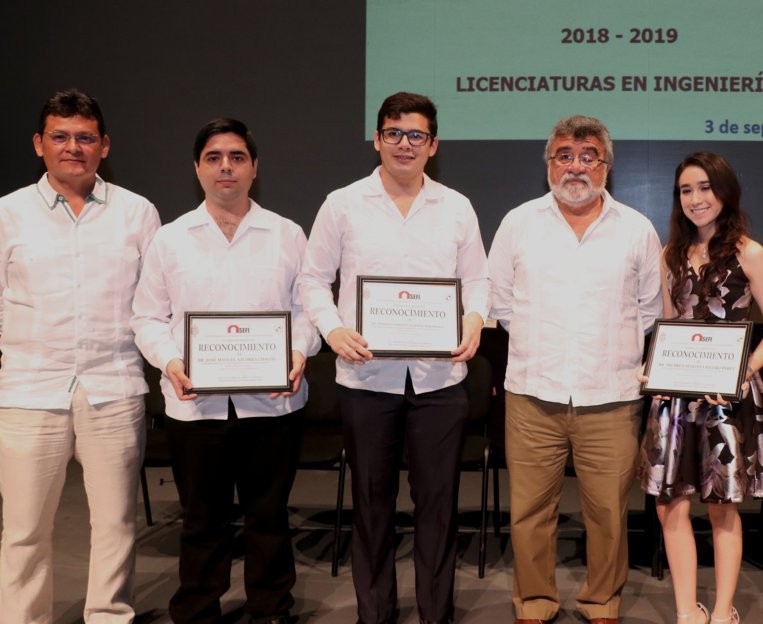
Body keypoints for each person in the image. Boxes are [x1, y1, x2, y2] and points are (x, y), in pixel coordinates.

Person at [297, 92, 489, 624]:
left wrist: (473, 320)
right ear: (377, 139)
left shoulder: (457, 207)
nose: (404, 144)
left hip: (439, 382)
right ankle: (374, 615)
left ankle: (436, 615)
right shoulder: (342, 204)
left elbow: (477, 280)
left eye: (416, 135)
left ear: (434, 144)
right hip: (366, 379)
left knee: (437, 509)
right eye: (393, 133)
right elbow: (312, 279)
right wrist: (333, 329)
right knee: (372, 509)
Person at [131, 118, 320, 624]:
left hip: (273, 402)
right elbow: (147, 318)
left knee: (268, 516)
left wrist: (299, 350)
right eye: (214, 158)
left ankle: (270, 608)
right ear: (197, 169)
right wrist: (171, 362)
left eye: (237, 157)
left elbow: (308, 312)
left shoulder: (288, 234)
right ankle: (197, 609)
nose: (226, 167)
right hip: (196, 404)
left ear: (255, 168)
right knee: (201, 519)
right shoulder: (170, 240)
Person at [488, 115, 662, 624]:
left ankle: (601, 599)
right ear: (549, 164)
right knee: (528, 514)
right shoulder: (518, 223)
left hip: (610, 397)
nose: (576, 166)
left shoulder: (636, 229)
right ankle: (535, 601)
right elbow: (500, 304)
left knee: (608, 514)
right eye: (564, 155)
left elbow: (650, 310)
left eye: (589, 156)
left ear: (607, 166)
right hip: (532, 394)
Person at [0, 89, 159, 623]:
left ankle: (109, 617)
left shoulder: (137, 214)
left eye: (85, 138)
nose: (74, 147)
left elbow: (154, 303)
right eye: (61, 137)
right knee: (23, 530)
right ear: (39, 144)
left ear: (104, 145)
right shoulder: (8, 214)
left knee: (115, 524)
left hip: (113, 387)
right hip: (28, 391)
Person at [638, 152, 763, 624]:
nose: (696, 199)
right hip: (676, 400)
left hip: (728, 398)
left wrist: (741, 373)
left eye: (704, 187)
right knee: (670, 507)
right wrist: (654, 370)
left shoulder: (750, 252)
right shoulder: (669, 255)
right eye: (686, 190)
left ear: (724, 192)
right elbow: (667, 326)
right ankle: (687, 610)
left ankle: (724, 610)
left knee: (722, 508)